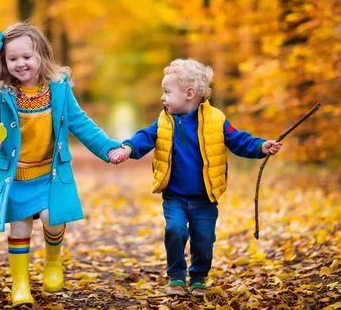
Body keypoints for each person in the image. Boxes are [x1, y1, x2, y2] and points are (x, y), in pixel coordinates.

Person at [109, 58, 282, 297]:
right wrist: (127, 149)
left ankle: (199, 277)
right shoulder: (164, 122)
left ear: (189, 93)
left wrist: (261, 146)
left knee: (204, 239)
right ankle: (176, 277)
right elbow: (144, 137)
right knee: (175, 230)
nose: (163, 97)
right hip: (175, 196)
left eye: (167, 92)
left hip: (205, 197)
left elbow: (239, 140)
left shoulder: (216, 120)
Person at [0, 22, 121, 307]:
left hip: (49, 173)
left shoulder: (58, 88)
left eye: (27, 57)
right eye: (13, 59)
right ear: (4, 61)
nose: (21, 64)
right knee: (19, 228)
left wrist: (109, 149)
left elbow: (80, 123)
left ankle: (52, 260)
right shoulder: (1, 90)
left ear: (41, 54)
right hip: (15, 175)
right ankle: (20, 284)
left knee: (51, 219)